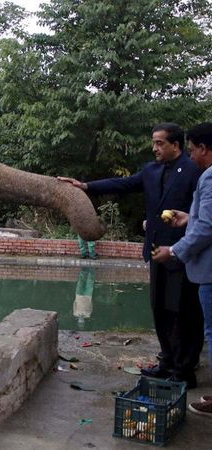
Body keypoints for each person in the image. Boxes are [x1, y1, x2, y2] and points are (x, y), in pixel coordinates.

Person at [58, 122, 204, 388]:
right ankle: (167, 362)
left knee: (182, 312)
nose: (154, 148)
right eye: (154, 142)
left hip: (182, 254)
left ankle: (185, 370)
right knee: (160, 309)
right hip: (156, 251)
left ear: (176, 145)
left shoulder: (195, 170)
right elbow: (123, 184)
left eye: (160, 143)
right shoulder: (151, 170)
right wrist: (86, 186)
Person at [152, 122, 212, 414]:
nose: (192, 155)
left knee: (208, 331)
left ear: (203, 149)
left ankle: (189, 372)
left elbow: (207, 228)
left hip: (207, 270)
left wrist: (175, 250)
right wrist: (190, 217)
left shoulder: (208, 176)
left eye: (193, 149)